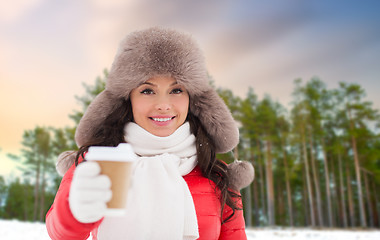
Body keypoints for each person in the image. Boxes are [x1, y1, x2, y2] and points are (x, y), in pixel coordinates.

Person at [46, 27, 254, 240]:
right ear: (128, 99)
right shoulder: (97, 163)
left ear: (193, 99)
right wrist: (75, 211)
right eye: (147, 91)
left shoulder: (217, 177)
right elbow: (59, 233)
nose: (163, 105)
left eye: (176, 90)